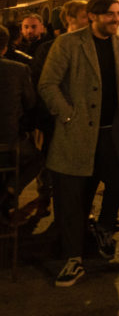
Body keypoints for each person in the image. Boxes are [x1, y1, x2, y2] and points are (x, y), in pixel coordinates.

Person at [38, 0, 119, 287]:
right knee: (72, 199)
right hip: (76, 135)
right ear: (93, 16)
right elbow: (48, 84)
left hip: (111, 134)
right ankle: (73, 259)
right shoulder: (68, 43)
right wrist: (68, 115)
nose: (117, 19)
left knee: (118, 183)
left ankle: (105, 228)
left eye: (118, 14)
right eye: (110, 15)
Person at [29, 0, 90, 215]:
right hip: (53, 118)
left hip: (81, 118)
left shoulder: (90, 46)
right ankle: (47, 196)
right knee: (51, 160)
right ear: (69, 19)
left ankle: (73, 207)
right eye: (85, 16)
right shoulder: (49, 48)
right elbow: (41, 84)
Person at [0, 24, 41, 222]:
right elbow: (31, 102)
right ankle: (11, 190)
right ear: (5, 47)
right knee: (38, 159)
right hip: (8, 140)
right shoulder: (19, 70)